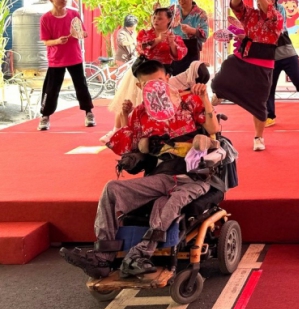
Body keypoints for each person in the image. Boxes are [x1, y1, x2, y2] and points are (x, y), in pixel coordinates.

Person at [60, 59, 221, 278]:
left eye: (159, 81)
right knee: (112, 189)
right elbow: (129, 147)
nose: (155, 87)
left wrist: (204, 97)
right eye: (147, 84)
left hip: (194, 176)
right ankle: (103, 256)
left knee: (170, 200)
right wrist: (125, 117)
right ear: (139, 87)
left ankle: (140, 254)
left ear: (167, 79)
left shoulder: (189, 101)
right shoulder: (140, 114)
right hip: (161, 175)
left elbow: (213, 129)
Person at [211, 0, 283, 152]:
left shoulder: (277, 16)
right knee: (221, 77)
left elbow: (268, 11)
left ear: (272, 2)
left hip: (262, 64)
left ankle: (258, 137)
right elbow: (235, 5)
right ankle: (221, 93)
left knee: (259, 104)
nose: (261, 0)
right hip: (242, 58)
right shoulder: (250, 14)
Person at [102, 8, 188, 143]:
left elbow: (179, 55)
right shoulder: (145, 33)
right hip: (143, 72)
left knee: (158, 103)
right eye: (154, 17)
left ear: (169, 20)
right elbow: (140, 48)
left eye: (160, 18)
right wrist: (157, 40)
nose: (155, 20)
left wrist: (171, 43)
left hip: (162, 74)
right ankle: (117, 130)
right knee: (129, 100)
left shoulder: (175, 37)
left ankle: (154, 132)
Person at [37, 0, 95, 131]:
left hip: (74, 57)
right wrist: (57, 41)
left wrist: (83, 34)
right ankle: (45, 116)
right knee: (51, 89)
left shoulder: (74, 14)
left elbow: (82, 32)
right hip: (56, 60)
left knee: (81, 86)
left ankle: (89, 113)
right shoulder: (46, 18)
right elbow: (45, 41)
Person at [265, 0, 299, 128]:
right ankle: (270, 116)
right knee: (269, 87)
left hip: (287, 54)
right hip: (270, 57)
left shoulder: (280, 9)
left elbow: (279, 28)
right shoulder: (256, 14)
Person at [169, 0, 209, 74]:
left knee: (191, 76)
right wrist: (157, 9)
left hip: (191, 48)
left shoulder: (200, 13)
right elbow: (161, 21)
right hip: (175, 46)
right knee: (175, 76)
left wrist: (193, 31)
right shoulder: (172, 10)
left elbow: (205, 35)